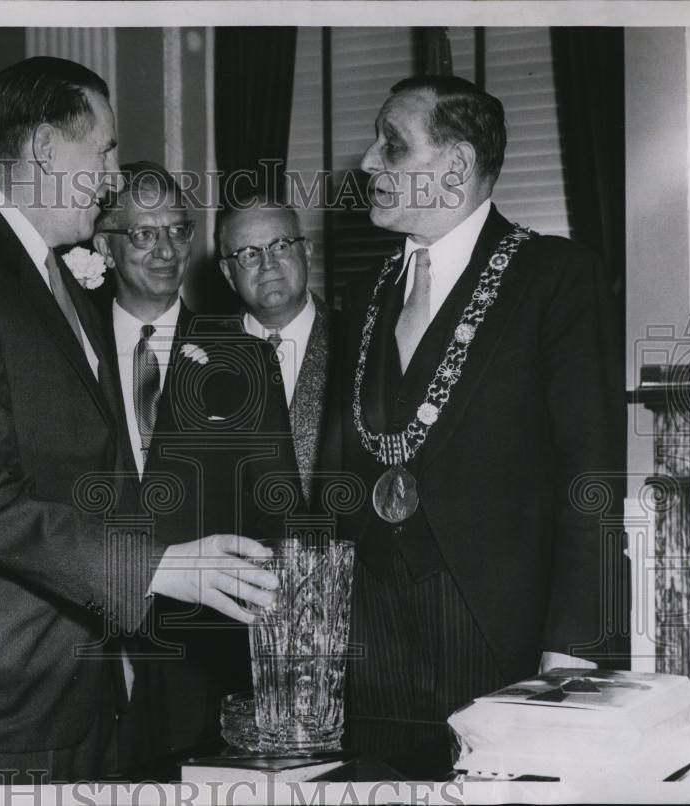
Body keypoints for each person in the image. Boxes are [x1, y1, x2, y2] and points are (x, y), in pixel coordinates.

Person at [0, 58, 279, 785]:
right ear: (49, 150)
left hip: (65, 689)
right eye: (106, 149)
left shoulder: (50, 274)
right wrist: (156, 568)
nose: (114, 175)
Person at [323, 74, 626, 778]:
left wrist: (574, 646)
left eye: (391, 146)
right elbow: (345, 465)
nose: (367, 162)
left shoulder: (555, 275)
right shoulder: (366, 290)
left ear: (455, 166)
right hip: (371, 640)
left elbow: (593, 471)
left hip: (501, 636)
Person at [92, 163, 298, 774]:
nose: (166, 251)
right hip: (81, 642)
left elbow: (278, 509)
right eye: (143, 234)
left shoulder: (243, 357)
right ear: (104, 245)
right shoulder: (65, 347)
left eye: (179, 232)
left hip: (196, 653)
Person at [218, 198, 336, 503]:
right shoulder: (199, 355)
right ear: (228, 274)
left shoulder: (358, 340)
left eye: (280, 245)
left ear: (307, 253)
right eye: (248, 254)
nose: (267, 264)